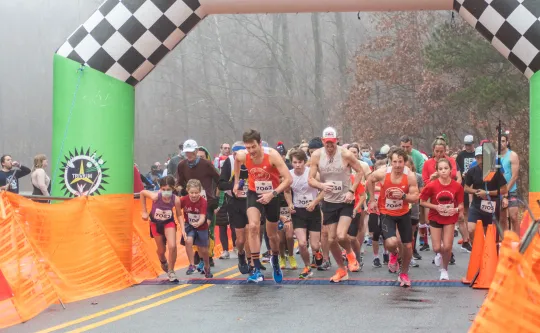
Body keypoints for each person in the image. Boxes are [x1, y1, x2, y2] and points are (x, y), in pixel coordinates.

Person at [233, 129, 293, 283]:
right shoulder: (243, 155)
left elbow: (288, 179)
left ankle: (275, 259)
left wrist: (272, 194)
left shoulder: (272, 155)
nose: (251, 151)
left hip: (272, 194)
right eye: (248, 148)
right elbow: (237, 160)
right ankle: (256, 268)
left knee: (272, 235)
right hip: (254, 193)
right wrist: (236, 183)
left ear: (260, 144)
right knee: (253, 226)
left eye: (253, 147)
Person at [308, 127, 365, 283]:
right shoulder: (316, 155)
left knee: (341, 235)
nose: (330, 146)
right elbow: (311, 179)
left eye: (332, 143)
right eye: (327, 143)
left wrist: (352, 191)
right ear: (322, 141)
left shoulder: (345, 154)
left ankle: (350, 253)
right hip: (329, 201)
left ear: (337, 140)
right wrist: (321, 186)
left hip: (345, 200)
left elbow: (360, 172)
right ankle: (341, 269)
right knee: (332, 240)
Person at [367, 148, 420, 287]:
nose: (397, 165)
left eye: (400, 162)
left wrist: (403, 196)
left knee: (408, 246)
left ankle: (404, 273)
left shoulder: (410, 176)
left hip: (403, 213)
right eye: (394, 161)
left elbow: (415, 198)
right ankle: (394, 254)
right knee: (391, 243)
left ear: (405, 162)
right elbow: (369, 180)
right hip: (387, 213)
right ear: (391, 162)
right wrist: (372, 200)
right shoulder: (383, 173)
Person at [176, 140, 220, 269]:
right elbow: (180, 182)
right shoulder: (182, 165)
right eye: (186, 153)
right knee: (193, 231)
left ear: (196, 151)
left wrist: (217, 199)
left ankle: (207, 258)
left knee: (205, 228)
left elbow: (219, 180)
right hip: (191, 202)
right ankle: (201, 258)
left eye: (191, 152)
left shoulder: (206, 164)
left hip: (207, 202)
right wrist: (179, 189)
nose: (189, 155)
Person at [420, 159, 464, 280]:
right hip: (435, 216)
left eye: (446, 168)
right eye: (440, 169)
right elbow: (422, 202)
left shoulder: (457, 186)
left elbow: (461, 204)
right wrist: (436, 207)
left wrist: (456, 210)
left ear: (450, 170)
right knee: (437, 247)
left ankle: (444, 270)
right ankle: (438, 254)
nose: (443, 171)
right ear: (437, 171)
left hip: (450, 217)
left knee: (447, 247)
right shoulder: (432, 185)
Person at [285, 149, 325, 279]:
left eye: (300, 162)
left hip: (313, 210)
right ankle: (307, 267)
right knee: (302, 243)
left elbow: (324, 190)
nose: (297, 165)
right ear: (291, 163)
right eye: (295, 162)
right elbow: (286, 191)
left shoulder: (312, 174)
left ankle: (317, 253)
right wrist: (290, 203)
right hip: (298, 211)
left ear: (304, 162)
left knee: (314, 245)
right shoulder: (289, 175)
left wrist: (315, 202)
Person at [140, 176, 181, 282]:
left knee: (172, 246)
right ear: (160, 188)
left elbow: (179, 214)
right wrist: (144, 211)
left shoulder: (175, 199)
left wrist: (183, 228)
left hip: (168, 222)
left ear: (173, 189)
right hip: (156, 223)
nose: (166, 193)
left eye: (169, 190)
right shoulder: (155, 196)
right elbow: (142, 193)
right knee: (161, 250)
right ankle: (163, 261)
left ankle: (171, 271)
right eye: (163, 190)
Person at [464, 146, 508, 243]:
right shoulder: (472, 171)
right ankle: (476, 250)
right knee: (471, 229)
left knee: (489, 234)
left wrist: (487, 193)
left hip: (491, 205)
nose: (480, 160)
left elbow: (504, 189)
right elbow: (466, 188)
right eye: (478, 158)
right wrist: (476, 191)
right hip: (476, 205)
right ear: (475, 158)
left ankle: (486, 252)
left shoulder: (495, 171)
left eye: (483, 157)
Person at [218, 141, 250, 274]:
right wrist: (235, 185)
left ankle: (253, 263)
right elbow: (221, 184)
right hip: (235, 203)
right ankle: (241, 253)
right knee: (241, 239)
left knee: (252, 232)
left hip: (250, 201)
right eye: (238, 154)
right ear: (234, 154)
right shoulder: (229, 162)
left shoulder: (252, 161)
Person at [179, 179, 213, 278]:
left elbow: (203, 216)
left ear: (200, 192)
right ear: (187, 191)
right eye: (192, 193)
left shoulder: (203, 202)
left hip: (201, 226)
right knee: (188, 241)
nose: (194, 195)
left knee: (203, 250)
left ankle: (207, 266)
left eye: (196, 193)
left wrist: (199, 223)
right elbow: (177, 209)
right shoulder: (184, 200)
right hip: (189, 225)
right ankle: (192, 265)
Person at [455, 135, 476, 252]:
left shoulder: (476, 154)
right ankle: (467, 238)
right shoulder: (461, 155)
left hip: (475, 184)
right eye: (466, 144)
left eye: (470, 144)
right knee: (466, 210)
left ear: (473, 144)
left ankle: (473, 236)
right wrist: (462, 175)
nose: (468, 147)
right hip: (465, 185)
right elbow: (457, 169)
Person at [499, 134, 520, 233]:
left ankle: (517, 241)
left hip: (511, 190)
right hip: (499, 191)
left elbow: (515, 176)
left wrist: (506, 190)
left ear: (507, 142)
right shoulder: (495, 156)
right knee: (502, 219)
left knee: (514, 216)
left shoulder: (512, 155)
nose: (501, 143)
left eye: (503, 141)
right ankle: (505, 242)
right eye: (499, 141)